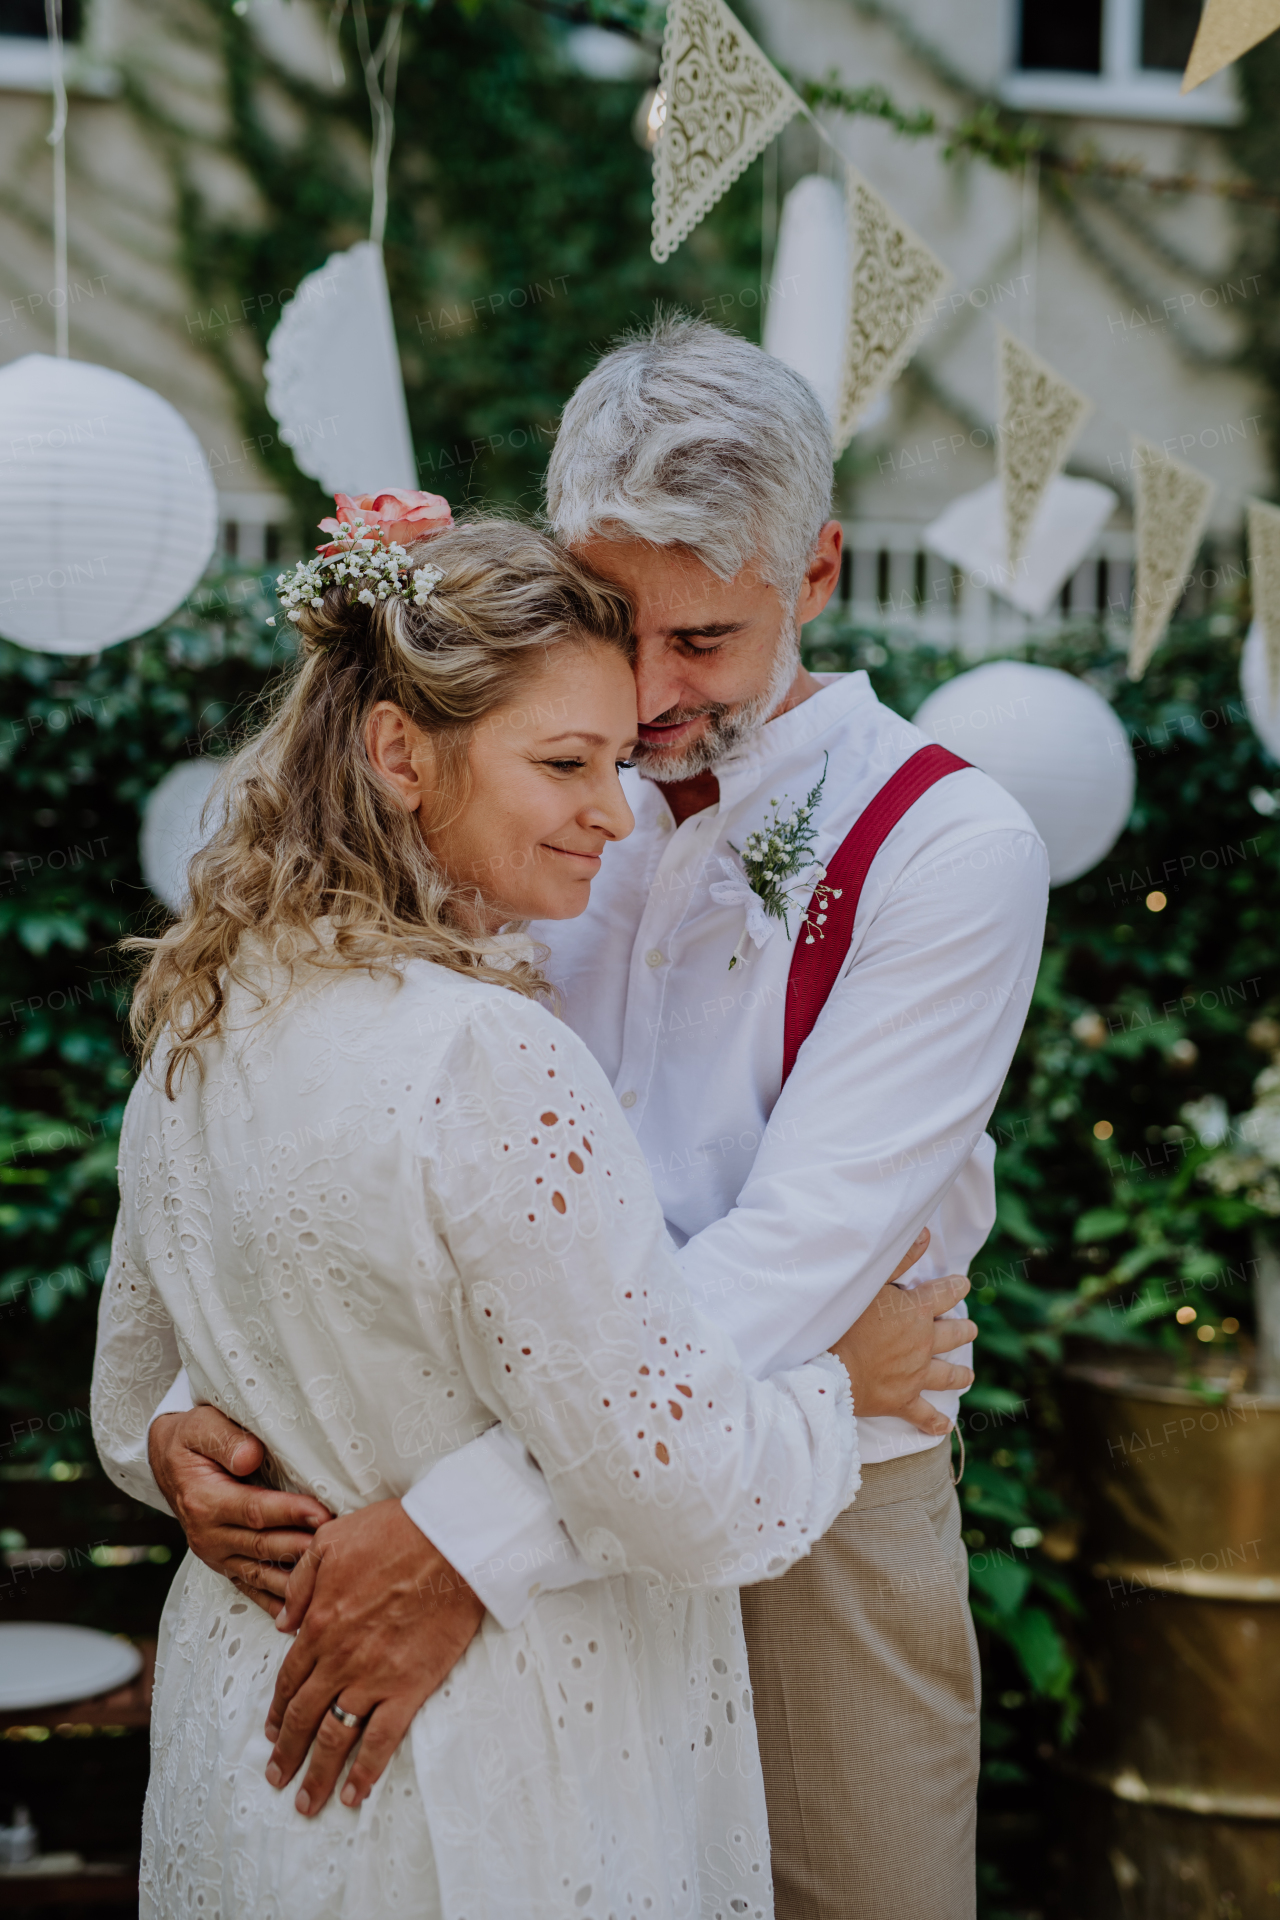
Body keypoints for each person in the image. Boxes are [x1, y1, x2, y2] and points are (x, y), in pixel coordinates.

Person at [146, 317, 1050, 1919]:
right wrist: (167, 1413)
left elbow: (803, 1252)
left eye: (699, 641)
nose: (641, 697)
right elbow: (290, 1115)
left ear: (819, 574)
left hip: (807, 1496)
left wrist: (467, 1536)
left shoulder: (947, 847)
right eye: (611, 618)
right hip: (467, 1474)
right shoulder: (513, 771)